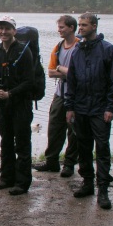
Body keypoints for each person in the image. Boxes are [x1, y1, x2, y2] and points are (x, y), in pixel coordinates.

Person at [65, 12, 113, 210]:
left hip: (99, 108)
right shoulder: (77, 50)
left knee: (103, 148)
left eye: (84, 25)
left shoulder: (107, 50)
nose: (80, 28)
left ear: (94, 26)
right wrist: (69, 106)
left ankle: (103, 188)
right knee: (83, 147)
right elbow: (71, 81)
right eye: (79, 25)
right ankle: (87, 182)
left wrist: (110, 107)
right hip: (80, 107)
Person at [0, 15, 35, 195]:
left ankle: (22, 183)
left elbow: (29, 81)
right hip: (3, 104)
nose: (3, 32)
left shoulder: (24, 51)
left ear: (14, 31)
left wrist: (10, 93)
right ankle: (6, 178)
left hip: (21, 104)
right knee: (5, 141)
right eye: (1, 28)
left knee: (22, 143)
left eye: (7, 28)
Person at [34, 15, 80, 177]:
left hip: (77, 96)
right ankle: (51, 161)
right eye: (59, 27)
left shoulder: (80, 46)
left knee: (73, 130)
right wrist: (64, 70)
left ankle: (69, 164)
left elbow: (79, 74)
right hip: (60, 94)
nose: (59, 30)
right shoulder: (58, 47)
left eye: (62, 27)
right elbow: (51, 72)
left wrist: (61, 69)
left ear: (71, 28)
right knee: (54, 127)